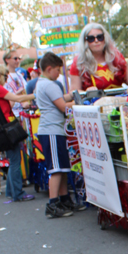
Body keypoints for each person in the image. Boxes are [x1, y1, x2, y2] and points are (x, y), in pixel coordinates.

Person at [36, 51, 85, 219]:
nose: (59, 74)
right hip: (52, 130)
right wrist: (79, 102)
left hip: (54, 130)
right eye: (58, 70)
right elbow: (63, 106)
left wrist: (72, 95)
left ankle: (64, 200)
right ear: (49, 69)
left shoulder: (42, 84)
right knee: (56, 169)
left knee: (62, 168)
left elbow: (59, 100)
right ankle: (53, 203)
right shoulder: (49, 84)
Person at [0, 66, 36, 202]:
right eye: (6, 77)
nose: (7, 80)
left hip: (1, 130)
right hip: (8, 129)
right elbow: (17, 100)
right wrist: (36, 95)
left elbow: (10, 102)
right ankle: (17, 193)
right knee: (15, 161)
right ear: (1, 76)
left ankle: (11, 191)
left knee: (12, 161)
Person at [69, 24, 128, 93]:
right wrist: (86, 92)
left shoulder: (116, 56)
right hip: (94, 102)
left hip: (120, 100)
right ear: (85, 42)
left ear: (105, 38)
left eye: (100, 37)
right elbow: (74, 91)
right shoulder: (79, 62)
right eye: (91, 38)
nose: (96, 41)